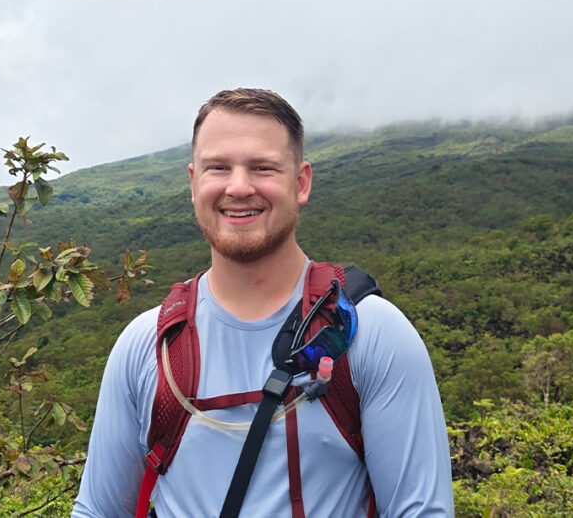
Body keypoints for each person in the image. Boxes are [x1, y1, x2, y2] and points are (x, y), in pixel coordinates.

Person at [72, 88, 453, 517]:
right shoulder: (148, 346)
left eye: (262, 167)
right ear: (194, 181)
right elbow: (98, 510)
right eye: (218, 167)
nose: (239, 187)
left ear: (301, 182)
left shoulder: (368, 331)